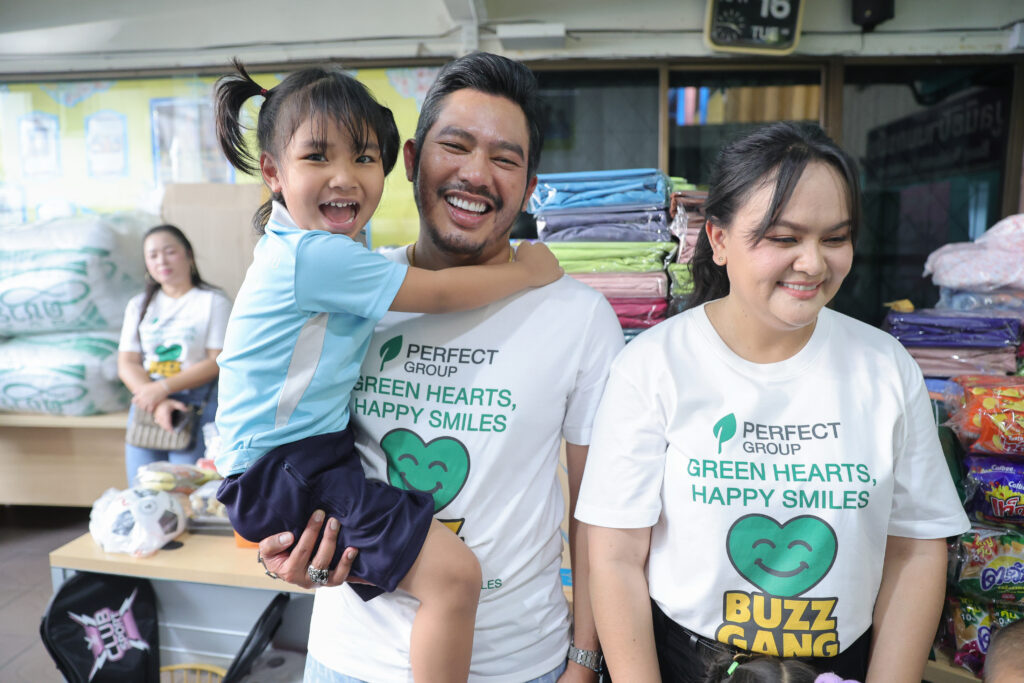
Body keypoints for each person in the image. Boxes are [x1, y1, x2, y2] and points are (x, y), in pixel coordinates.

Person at [254, 51, 624, 682]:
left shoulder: (580, 318)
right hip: (348, 661)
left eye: (505, 159)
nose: (476, 174)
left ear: (530, 186)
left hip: (519, 665)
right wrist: (286, 545)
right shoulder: (350, 296)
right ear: (409, 160)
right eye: (454, 146)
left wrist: (585, 661)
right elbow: (286, 436)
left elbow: (597, 514)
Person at [576, 122, 971, 683]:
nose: (813, 263)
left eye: (835, 238)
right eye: (784, 239)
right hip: (687, 665)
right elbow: (615, 555)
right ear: (718, 240)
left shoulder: (884, 368)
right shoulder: (654, 365)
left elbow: (916, 548)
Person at [117, 224, 231, 484]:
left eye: (169, 252)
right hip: (147, 403)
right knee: (143, 486)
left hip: (196, 404)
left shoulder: (213, 301)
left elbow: (217, 360)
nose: (162, 261)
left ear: (188, 255)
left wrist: (163, 388)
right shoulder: (138, 305)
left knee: (189, 488)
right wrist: (157, 399)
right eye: (153, 255)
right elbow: (127, 363)